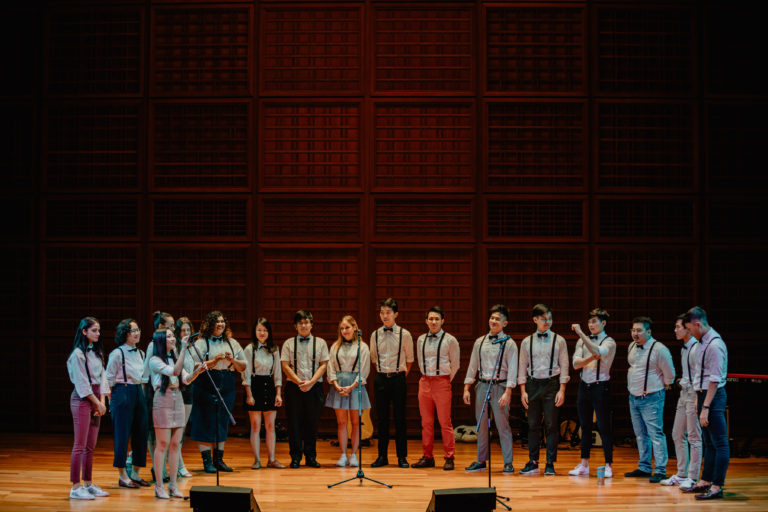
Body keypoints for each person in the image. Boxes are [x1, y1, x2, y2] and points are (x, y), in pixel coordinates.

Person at [149, 328, 204, 498]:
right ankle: (159, 486)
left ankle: (173, 486)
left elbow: (185, 379)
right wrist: (184, 348)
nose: (174, 339)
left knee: (175, 445)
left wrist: (197, 372)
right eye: (169, 337)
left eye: (173, 336)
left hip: (177, 397)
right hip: (163, 398)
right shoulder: (154, 360)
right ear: (160, 341)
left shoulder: (174, 357)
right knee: (163, 444)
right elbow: (173, 372)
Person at [189, 311, 246, 472]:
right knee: (204, 421)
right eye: (217, 321)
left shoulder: (232, 343)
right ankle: (207, 461)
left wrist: (232, 360)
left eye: (222, 321)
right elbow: (192, 365)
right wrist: (213, 362)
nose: (220, 324)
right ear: (210, 324)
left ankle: (219, 460)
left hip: (226, 382)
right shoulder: (201, 342)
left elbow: (243, 366)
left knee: (222, 420)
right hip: (205, 382)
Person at [463, 304, 517, 474]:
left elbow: (513, 370)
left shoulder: (510, 344)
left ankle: (508, 462)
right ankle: (481, 460)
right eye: (492, 318)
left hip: (500, 386)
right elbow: (473, 366)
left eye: (498, 319)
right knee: (481, 425)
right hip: (482, 385)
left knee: (503, 425)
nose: (494, 321)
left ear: (505, 323)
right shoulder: (480, 342)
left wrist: (508, 391)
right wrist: (467, 387)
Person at [518, 304, 570, 475]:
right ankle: (533, 461)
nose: (547, 322)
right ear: (535, 320)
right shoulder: (527, 341)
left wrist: (561, 390)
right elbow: (522, 367)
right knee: (532, 425)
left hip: (551, 385)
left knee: (551, 425)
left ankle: (550, 463)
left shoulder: (559, 340)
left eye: (549, 318)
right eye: (543, 319)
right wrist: (523, 391)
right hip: (532, 385)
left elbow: (564, 366)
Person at [684, 307, 729, 500]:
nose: (690, 333)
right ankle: (705, 481)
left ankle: (717, 486)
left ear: (698, 324)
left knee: (720, 443)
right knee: (708, 443)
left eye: (690, 329)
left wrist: (706, 407)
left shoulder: (715, 345)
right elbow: (699, 375)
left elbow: (714, 379)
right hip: (703, 396)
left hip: (714, 397)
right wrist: (697, 400)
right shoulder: (702, 342)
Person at [624, 316, 675, 483]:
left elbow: (670, 374)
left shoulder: (659, 349)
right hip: (634, 397)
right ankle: (644, 466)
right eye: (633, 330)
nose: (635, 333)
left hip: (652, 397)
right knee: (640, 434)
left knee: (656, 434)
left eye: (639, 330)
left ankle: (660, 469)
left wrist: (663, 386)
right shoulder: (632, 346)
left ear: (649, 331)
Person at [568, 308, 617, 478]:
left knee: (604, 426)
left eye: (594, 321)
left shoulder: (609, 342)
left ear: (603, 323)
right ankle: (584, 464)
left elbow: (598, 351)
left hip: (600, 386)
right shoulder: (582, 342)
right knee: (585, 426)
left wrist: (580, 333)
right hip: (584, 386)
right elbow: (575, 364)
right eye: (589, 322)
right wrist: (589, 359)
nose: (591, 325)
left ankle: (608, 464)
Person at [66, 316, 110, 500]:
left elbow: (102, 377)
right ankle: (76, 487)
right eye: (94, 330)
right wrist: (96, 402)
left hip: (96, 397)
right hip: (82, 399)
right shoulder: (77, 354)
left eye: (99, 330)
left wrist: (102, 401)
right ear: (84, 331)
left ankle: (88, 483)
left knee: (90, 446)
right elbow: (82, 384)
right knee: (80, 444)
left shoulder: (97, 352)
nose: (98, 333)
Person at [412, 306, 460, 470]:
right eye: (430, 319)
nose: (433, 322)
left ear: (442, 321)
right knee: (426, 422)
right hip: (425, 381)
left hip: (442, 382)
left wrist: (444, 380)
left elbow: (456, 364)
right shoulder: (420, 339)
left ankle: (449, 456)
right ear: (426, 321)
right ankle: (427, 456)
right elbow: (420, 361)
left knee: (445, 422)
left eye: (436, 319)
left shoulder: (450, 340)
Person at [281, 310, 330, 468]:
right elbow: (285, 365)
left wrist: (310, 382)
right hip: (293, 388)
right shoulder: (288, 343)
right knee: (293, 423)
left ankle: (311, 456)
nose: (304, 325)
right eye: (300, 323)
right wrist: (299, 382)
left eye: (307, 322)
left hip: (314, 387)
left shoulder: (320, 342)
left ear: (312, 325)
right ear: (295, 326)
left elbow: (324, 365)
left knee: (312, 423)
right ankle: (295, 457)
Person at [131, 311, 175, 485]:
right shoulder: (152, 346)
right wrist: (143, 396)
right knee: (153, 433)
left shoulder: (173, 345)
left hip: (168, 391)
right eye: (169, 326)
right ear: (160, 328)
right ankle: (159, 469)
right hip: (152, 391)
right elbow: (146, 372)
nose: (173, 329)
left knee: (165, 434)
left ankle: (163, 468)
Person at [369, 298, 414, 468]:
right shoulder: (375, 334)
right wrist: (384, 373)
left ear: (396, 314)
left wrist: (398, 375)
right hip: (381, 378)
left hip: (398, 378)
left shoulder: (405, 334)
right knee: (382, 419)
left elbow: (409, 360)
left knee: (400, 419)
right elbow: (374, 358)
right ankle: (382, 456)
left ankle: (402, 457)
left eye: (388, 312)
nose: (385, 316)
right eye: (382, 312)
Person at [105, 318, 148, 489]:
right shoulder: (117, 353)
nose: (137, 333)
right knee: (122, 435)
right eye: (133, 330)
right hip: (122, 392)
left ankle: (135, 473)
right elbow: (108, 380)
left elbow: (143, 377)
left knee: (141, 433)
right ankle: (122, 475)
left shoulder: (141, 353)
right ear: (125, 334)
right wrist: (111, 402)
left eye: (138, 329)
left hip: (138, 392)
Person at [660, 314, 701, 490]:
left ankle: (692, 477)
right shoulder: (684, 348)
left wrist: (698, 398)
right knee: (677, 434)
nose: (675, 330)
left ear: (687, 328)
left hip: (694, 393)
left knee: (694, 436)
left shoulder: (696, 348)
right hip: (684, 393)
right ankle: (681, 473)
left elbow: (700, 375)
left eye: (678, 327)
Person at [325, 315, 371, 467]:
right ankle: (343, 454)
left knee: (356, 422)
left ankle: (353, 455)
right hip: (338, 386)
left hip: (355, 386)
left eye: (347, 328)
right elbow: (331, 367)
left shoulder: (362, 347)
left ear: (355, 327)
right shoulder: (335, 346)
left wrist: (352, 386)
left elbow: (364, 369)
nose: (345, 331)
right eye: (342, 328)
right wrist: (336, 385)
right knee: (341, 422)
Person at [242, 318, 285, 469]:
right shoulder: (249, 349)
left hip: (270, 385)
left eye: (265, 330)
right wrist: (249, 394)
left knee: (270, 426)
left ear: (269, 332)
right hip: (255, 385)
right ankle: (256, 460)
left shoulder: (274, 349)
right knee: (255, 426)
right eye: (259, 330)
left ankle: (271, 459)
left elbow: (278, 373)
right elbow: (246, 374)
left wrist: (278, 393)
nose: (262, 333)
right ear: (255, 331)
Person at [173, 317, 196, 478]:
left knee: (182, 431)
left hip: (189, 391)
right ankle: (179, 466)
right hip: (177, 392)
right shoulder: (175, 349)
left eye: (188, 330)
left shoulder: (190, 349)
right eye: (183, 330)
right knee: (177, 432)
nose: (186, 333)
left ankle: (177, 465)